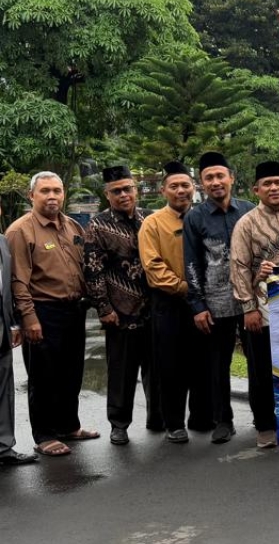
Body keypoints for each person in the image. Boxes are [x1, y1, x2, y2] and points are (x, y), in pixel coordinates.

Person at [6, 171, 96, 457]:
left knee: (72, 373)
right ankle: (44, 435)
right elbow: (18, 280)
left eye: (57, 190)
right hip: (42, 310)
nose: (52, 196)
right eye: (45, 191)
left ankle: (69, 426)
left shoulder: (71, 226)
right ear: (32, 195)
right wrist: (28, 318)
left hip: (73, 309)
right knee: (44, 378)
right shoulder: (21, 231)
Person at [84, 165, 162, 445]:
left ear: (136, 190)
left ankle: (157, 417)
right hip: (121, 313)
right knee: (121, 372)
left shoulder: (149, 219)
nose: (124, 195)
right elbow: (93, 270)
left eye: (128, 189)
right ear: (108, 195)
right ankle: (119, 424)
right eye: (117, 191)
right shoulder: (98, 225)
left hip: (153, 310)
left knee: (156, 369)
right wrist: (104, 309)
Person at [139, 161, 212, 444]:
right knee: (171, 365)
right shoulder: (153, 223)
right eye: (174, 186)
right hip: (171, 302)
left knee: (203, 361)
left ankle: (202, 417)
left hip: (204, 303)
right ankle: (174, 423)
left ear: (194, 188)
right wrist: (187, 290)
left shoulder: (203, 217)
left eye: (186, 185)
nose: (181, 190)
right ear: (163, 190)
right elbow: (153, 267)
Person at [184, 151, 254, 445]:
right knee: (218, 365)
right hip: (217, 303)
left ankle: (266, 415)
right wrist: (198, 306)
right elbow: (191, 264)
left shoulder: (249, 211)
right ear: (202, 184)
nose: (215, 182)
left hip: (251, 302)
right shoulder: (195, 217)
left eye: (220, 176)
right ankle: (223, 420)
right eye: (208, 178)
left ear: (231, 178)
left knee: (258, 360)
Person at [230, 161, 279, 449]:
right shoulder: (246, 223)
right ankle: (265, 425)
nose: (274, 188)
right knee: (261, 368)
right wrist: (248, 308)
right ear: (256, 189)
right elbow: (239, 267)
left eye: (278, 182)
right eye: (267, 184)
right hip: (262, 305)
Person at [0, 230, 36, 467]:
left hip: (1, 325)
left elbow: (7, 285)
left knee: (3, 388)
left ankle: (3, 448)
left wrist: (13, 323)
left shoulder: (2, 240)